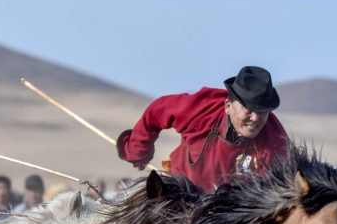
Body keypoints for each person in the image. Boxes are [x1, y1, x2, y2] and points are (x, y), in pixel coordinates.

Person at [117, 65, 289, 189]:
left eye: (262, 112)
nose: (255, 118)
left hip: (230, 218)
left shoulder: (276, 143)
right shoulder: (199, 108)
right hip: (179, 194)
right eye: (249, 110)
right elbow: (156, 112)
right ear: (228, 105)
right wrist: (138, 151)